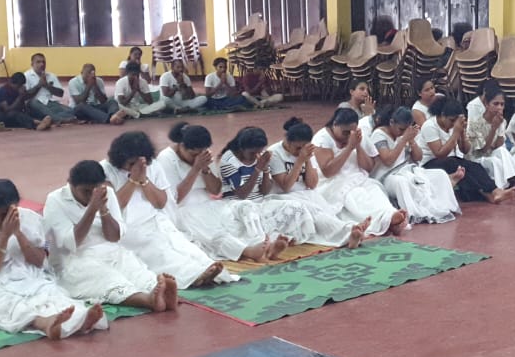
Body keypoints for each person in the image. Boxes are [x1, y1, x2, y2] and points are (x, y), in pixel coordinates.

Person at [0, 179, 107, 339]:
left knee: (47, 291)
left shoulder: (29, 218)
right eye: (1, 214)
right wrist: (4, 237)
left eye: (11, 211)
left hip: (25, 272)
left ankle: (80, 319)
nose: (6, 218)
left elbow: (38, 261)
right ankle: (46, 324)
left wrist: (18, 234)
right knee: (10, 301)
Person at [100, 132, 234, 289]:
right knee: (159, 251)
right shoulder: (104, 169)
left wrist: (144, 180)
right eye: (131, 164)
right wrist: (132, 180)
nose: (135, 167)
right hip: (126, 228)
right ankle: (192, 276)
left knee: (183, 246)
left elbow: (160, 202)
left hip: (154, 220)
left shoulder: (151, 166)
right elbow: (114, 206)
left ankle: (206, 269)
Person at [43, 160, 176, 312]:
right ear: (70, 184)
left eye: (95, 190)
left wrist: (103, 210)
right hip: (75, 259)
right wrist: (92, 209)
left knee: (136, 272)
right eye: (85, 191)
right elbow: (71, 242)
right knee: (109, 279)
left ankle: (160, 294)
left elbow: (114, 237)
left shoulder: (107, 193)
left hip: (109, 251)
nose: (90, 196)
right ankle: (147, 300)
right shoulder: (55, 200)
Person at [156, 123, 293, 261]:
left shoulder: (203, 156)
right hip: (184, 210)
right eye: (193, 154)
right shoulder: (166, 159)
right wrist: (195, 169)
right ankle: (247, 251)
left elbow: (215, 190)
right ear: (181, 146)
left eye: (201, 153)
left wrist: (205, 169)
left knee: (245, 208)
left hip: (209, 204)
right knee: (213, 231)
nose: (197, 158)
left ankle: (263, 244)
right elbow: (174, 199)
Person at [222, 126, 365, 248]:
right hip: (271, 198)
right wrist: (260, 169)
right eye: (252, 153)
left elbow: (311, 184)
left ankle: (348, 231)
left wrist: (306, 160)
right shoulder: (231, 160)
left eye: (258, 152)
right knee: (304, 209)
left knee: (316, 208)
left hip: (271, 200)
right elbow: (281, 188)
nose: (256, 156)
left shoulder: (264, 156)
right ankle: (346, 232)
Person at [312, 108, 408, 236]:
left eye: (351, 132)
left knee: (374, 190)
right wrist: (350, 147)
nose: (348, 136)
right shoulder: (322, 138)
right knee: (356, 196)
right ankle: (386, 218)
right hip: (332, 182)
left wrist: (357, 145)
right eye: (345, 132)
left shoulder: (357, 136)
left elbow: (368, 168)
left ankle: (389, 214)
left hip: (358, 177)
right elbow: (328, 172)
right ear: (335, 125)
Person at [370, 107, 461, 224]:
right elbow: (388, 160)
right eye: (400, 129)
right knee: (401, 182)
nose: (402, 132)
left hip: (405, 170)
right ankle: (411, 214)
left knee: (440, 175)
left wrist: (412, 141)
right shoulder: (379, 134)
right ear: (392, 122)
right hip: (386, 176)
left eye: (405, 129)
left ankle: (443, 207)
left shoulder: (406, 134)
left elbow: (418, 157)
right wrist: (404, 140)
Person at [417, 97, 515, 204]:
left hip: (450, 160)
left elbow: (465, 150)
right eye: (451, 120)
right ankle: (489, 194)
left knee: (475, 166)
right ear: (442, 115)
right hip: (429, 163)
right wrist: (455, 132)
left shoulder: (455, 126)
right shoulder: (430, 126)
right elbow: (439, 154)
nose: (453, 124)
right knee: (454, 163)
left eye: (456, 121)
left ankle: (495, 191)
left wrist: (462, 133)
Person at [466, 87, 515, 197]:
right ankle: (514, 187)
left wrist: (499, 127)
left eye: (502, 104)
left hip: (492, 154)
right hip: (476, 159)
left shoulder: (501, 121)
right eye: (495, 104)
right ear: (486, 104)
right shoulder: (475, 124)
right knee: (495, 161)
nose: (499, 107)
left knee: (502, 151)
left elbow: (498, 145)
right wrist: (493, 128)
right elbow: (483, 150)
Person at [25, 53, 77, 125]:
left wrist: (47, 86)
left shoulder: (51, 75)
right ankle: (59, 119)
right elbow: (25, 96)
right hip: (35, 105)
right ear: (32, 64)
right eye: (38, 62)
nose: (42, 64)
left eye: (43, 62)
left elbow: (60, 93)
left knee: (71, 111)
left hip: (50, 104)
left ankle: (49, 118)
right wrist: (39, 85)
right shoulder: (26, 76)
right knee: (33, 102)